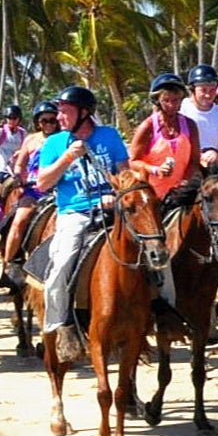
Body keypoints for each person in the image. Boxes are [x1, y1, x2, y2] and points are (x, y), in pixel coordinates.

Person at [36, 84, 129, 360]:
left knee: (154, 248)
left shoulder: (109, 136)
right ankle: (61, 324)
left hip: (111, 208)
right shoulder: (54, 143)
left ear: (84, 113)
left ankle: (164, 309)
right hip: (75, 212)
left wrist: (116, 194)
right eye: (59, 112)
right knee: (62, 262)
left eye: (65, 112)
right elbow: (42, 183)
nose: (60, 117)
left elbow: (124, 174)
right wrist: (67, 158)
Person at [0, 100, 60, 286]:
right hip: (35, 189)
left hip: (59, 189)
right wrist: (19, 175)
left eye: (52, 120)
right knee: (20, 219)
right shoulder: (31, 140)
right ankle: (9, 264)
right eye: (44, 121)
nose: (48, 124)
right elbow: (20, 163)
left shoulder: (66, 138)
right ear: (37, 122)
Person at [128, 73, 202, 197]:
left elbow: (194, 160)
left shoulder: (190, 125)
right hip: (152, 194)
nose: (171, 105)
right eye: (166, 100)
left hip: (181, 191)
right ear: (157, 101)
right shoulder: (148, 127)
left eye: (175, 100)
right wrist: (155, 170)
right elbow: (133, 162)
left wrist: (186, 181)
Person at [180, 64, 218, 167]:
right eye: (203, 90)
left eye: (212, 90)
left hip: (213, 170)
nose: (208, 95)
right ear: (192, 89)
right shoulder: (181, 110)